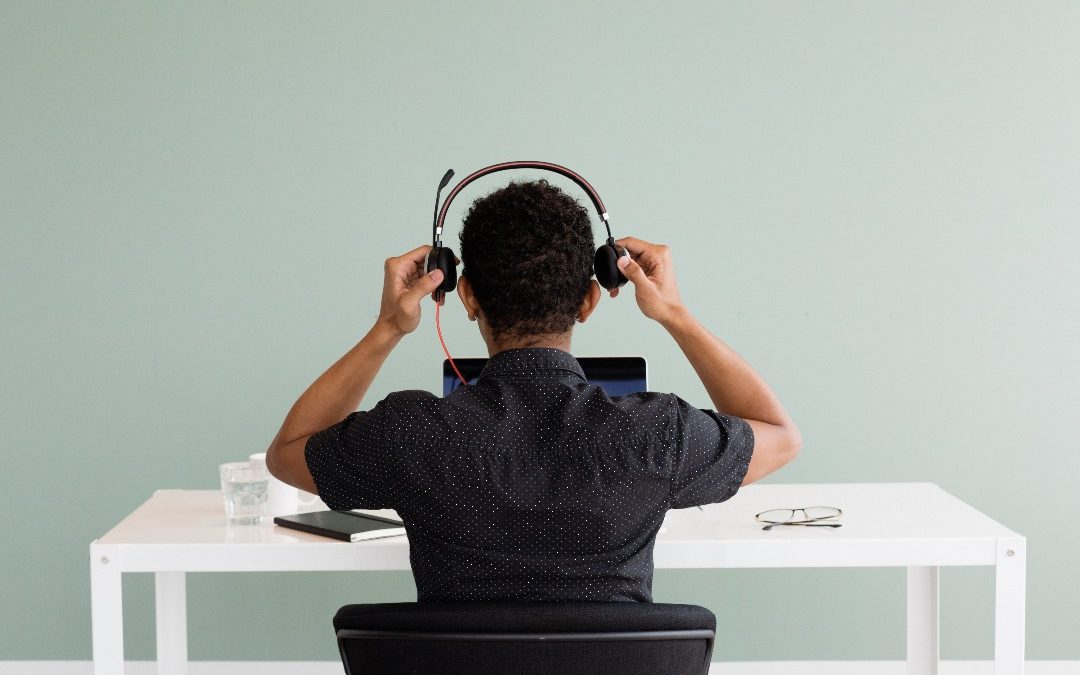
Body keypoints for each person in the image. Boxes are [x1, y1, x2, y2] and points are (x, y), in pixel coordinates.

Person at [266, 180, 801, 602]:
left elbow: (288, 453)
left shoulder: (411, 433)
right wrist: (676, 315)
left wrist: (387, 327)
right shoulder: (658, 435)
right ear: (590, 300)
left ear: (466, 295)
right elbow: (780, 435)